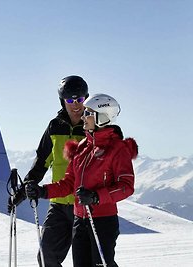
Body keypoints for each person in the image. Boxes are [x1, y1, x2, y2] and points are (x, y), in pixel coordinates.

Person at [25, 93, 138, 267]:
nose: (83, 116)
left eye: (88, 113)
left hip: (102, 221)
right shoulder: (82, 147)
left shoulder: (117, 149)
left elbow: (126, 186)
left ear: (102, 117)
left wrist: (96, 197)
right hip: (80, 220)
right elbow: (69, 183)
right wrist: (43, 191)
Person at [8, 75, 89, 267]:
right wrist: (22, 192)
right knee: (46, 258)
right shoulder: (55, 126)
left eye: (80, 99)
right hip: (59, 205)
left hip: (85, 206)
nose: (75, 105)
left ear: (86, 98)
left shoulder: (91, 126)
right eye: (70, 100)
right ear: (63, 101)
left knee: (89, 261)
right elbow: (41, 163)